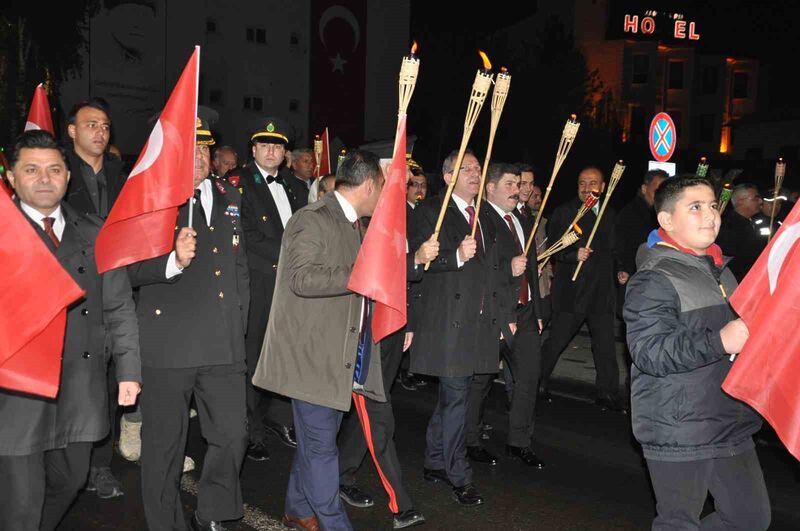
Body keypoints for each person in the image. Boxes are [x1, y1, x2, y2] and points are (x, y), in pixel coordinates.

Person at [0, 130, 141, 531]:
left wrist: (129, 371)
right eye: (31, 169)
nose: (44, 179)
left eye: (54, 169)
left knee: (70, 481)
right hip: (16, 392)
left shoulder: (95, 233)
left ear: (67, 177)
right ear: (11, 177)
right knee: (22, 502)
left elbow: (118, 306)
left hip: (79, 383)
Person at [623, 176, 770, 531]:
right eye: (695, 207)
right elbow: (649, 352)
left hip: (728, 419)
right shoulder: (653, 278)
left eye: (712, 206)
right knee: (679, 522)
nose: (710, 216)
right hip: (679, 425)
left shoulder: (722, 269)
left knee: (749, 519)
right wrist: (720, 340)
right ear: (667, 221)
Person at [252, 150, 387, 531]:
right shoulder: (312, 220)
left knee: (317, 442)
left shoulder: (356, 225)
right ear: (368, 186)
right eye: (383, 187)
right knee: (322, 449)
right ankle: (334, 524)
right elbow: (302, 278)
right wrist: (362, 272)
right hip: (310, 358)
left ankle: (297, 508)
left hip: (338, 354)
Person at [130, 118, 250, 531]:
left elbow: (238, 269)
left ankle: (213, 511)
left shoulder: (228, 192)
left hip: (222, 341)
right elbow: (123, 269)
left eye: (205, 150)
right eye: (191, 149)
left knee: (233, 435)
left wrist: (240, 325)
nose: (200, 157)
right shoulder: (149, 197)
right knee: (164, 448)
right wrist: (172, 261)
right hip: (169, 343)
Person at [408, 149, 514, 506]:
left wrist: (504, 314)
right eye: (466, 169)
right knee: (457, 399)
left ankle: (434, 460)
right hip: (449, 322)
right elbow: (419, 260)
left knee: (456, 397)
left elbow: (496, 269)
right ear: (448, 176)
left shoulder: (485, 214)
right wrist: (454, 255)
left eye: (478, 168)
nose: (474, 173)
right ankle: (459, 474)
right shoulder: (431, 211)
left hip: (480, 322)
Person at [65, 97, 131, 498]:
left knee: (108, 382)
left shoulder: (121, 174)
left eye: (105, 126)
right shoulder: (59, 173)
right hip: (72, 290)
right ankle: (65, 458)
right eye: (91, 124)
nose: (100, 132)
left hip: (115, 287)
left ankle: (99, 465)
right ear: (72, 130)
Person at [229, 117, 302, 460]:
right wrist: (291, 257)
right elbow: (245, 236)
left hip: (290, 286)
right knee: (253, 356)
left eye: (278, 146)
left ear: (285, 153)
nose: (272, 151)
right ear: (254, 150)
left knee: (285, 354)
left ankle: (278, 417)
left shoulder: (295, 187)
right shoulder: (237, 184)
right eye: (265, 145)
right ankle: (250, 430)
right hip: (258, 284)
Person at [465, 163, 545, 468]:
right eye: (510, 184)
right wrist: (507, 272)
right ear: (491, 188)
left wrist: (537, 309)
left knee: (528, 377)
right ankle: (470, 439)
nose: (517, 190)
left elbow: (532, 268)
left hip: (524, 313)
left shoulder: (522, 219)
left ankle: (519, 442)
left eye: (519, 184)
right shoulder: (480, 220)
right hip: (494, 313)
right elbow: (479, 267)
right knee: (481, 379)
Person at [539, 166, 626, 411]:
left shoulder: (609, 214)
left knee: (605, 344)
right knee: (557, 340)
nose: (587, 188)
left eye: (593, 183)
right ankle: (537, 381)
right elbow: (553, 247)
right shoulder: (565, 212)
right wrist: (571, 254)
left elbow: (616, 248)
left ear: (604, 186)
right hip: (573, 291)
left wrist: (621, 269)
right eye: (582, 183)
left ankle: (607, 392)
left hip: (601, 292)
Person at [615, 169, 668, 281]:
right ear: (644, 189)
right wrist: (623, 268)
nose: (661, 195)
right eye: (657, 190)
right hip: (636, 277)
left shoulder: (666, 214)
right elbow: (620, 246)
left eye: (665, 191)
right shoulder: (630, 213)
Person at [716, 183, 765, 281]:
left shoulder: (755, 222)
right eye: (755, 198)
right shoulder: (728, 228)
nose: (760, 201)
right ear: (740, 201)